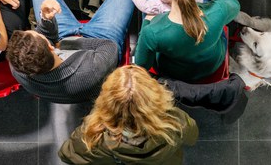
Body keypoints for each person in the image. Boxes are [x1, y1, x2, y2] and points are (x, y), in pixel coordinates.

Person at [6, 0, 138, 103]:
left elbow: (49, 39)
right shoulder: (91, 71)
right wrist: (68, 43)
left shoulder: (19, 65)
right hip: (100, 42)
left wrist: (46, 20)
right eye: (38, 33)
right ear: (51, 48)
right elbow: (110, 46)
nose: (38, 29)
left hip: (61, 38)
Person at [58, 65, 199, 164]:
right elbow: (192, 136)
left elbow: (66, 154)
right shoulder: (175, 122)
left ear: (106, 101)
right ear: (155, 96)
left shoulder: (91, 137)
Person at [135, 0, 241, 83]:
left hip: (173, 74)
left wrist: (147, 21)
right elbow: (233, 2)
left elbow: (142, 67)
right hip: (211, 67)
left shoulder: (152, 31)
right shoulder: (219, 10)